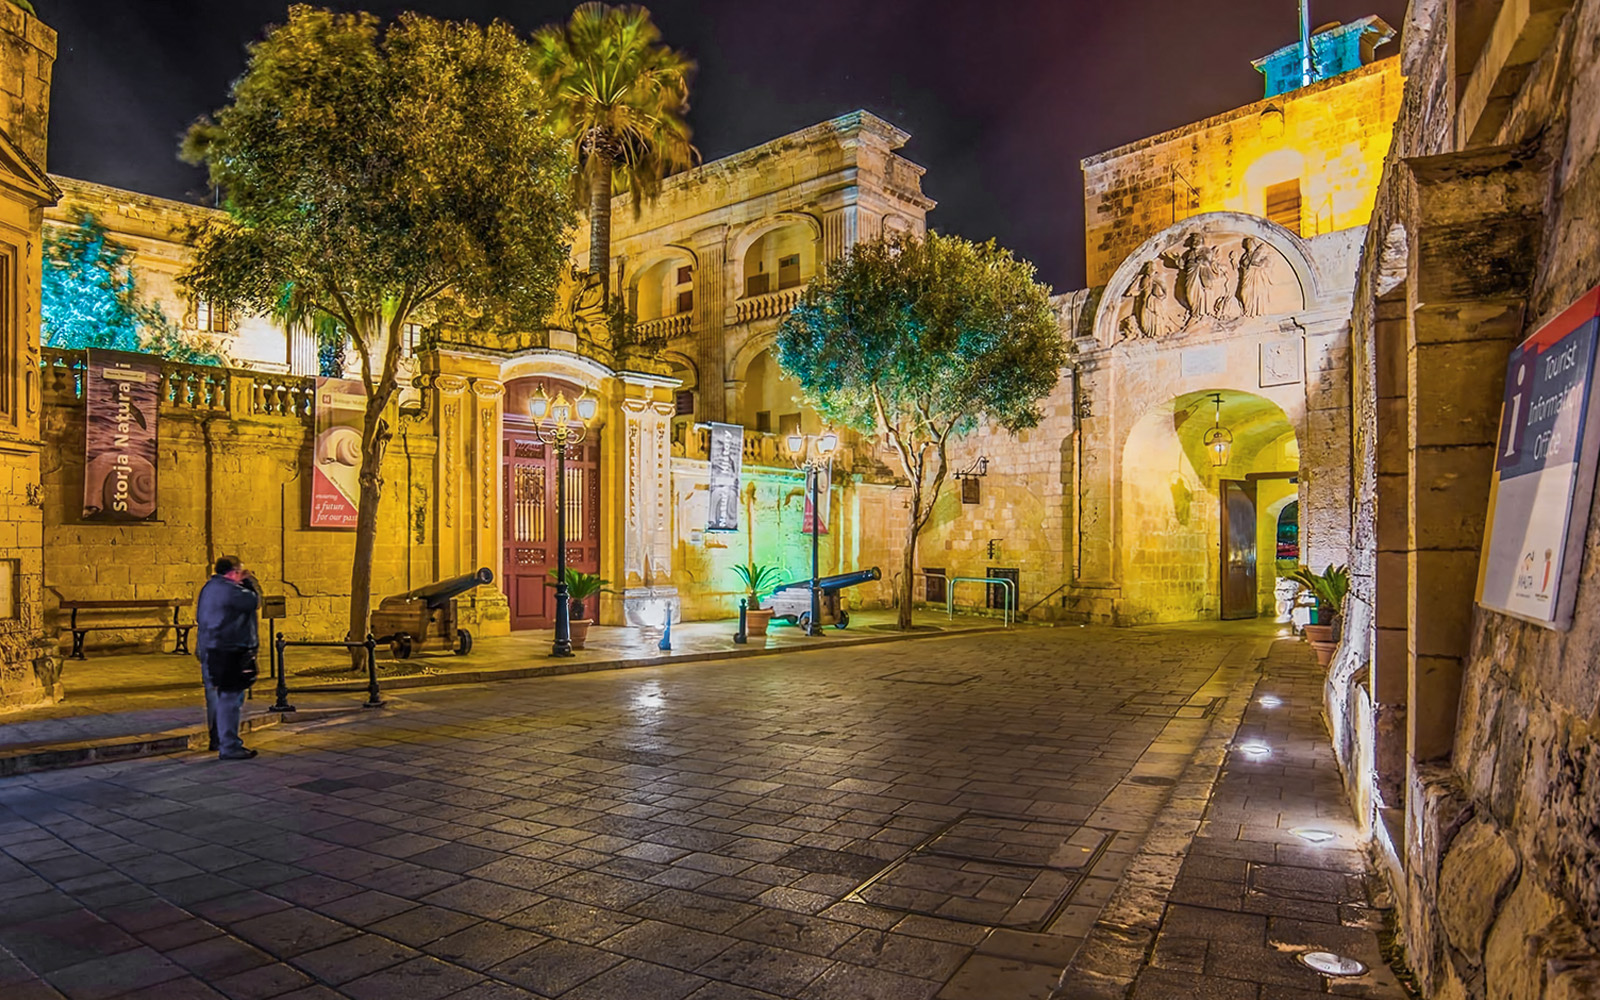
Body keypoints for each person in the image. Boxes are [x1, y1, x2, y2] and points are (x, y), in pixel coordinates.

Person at [196, 555, 262, 760]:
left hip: (211, 648)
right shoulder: (232, 591)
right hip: (230, 650)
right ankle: (229, 744)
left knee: (216, 696)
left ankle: (218, 739)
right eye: (239, 571)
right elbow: (255, 601)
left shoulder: (209, 588)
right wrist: (250, 582)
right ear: (232, 572)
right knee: (230, 698)